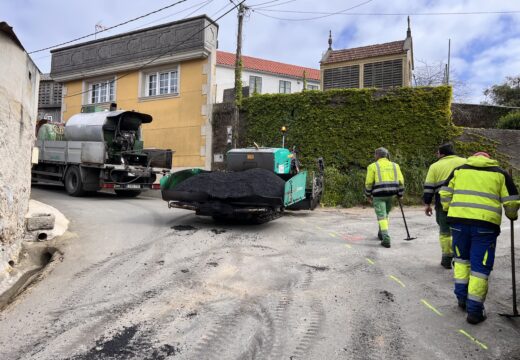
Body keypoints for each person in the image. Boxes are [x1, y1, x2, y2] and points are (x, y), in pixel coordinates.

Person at [439, 152, 519, 324]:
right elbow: (512, 200)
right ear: (489, 158)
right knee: (479, 268)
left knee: (461, 260)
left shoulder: (459, 170)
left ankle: (462, 300)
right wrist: (511, 215)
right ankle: (474, 312)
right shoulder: (500, 173)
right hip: (485, 227)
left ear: (473, 157)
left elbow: (444, 193)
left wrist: (448, 208)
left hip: (458, 224)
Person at [423, 143, 467, 269]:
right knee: (461, 230)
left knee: (445, 231)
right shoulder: (465, 162)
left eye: (437, 153)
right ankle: (460, 257)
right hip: (463, 202)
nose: (436, 156)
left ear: (442, 154)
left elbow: (429, 187)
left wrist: (427, 204)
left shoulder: (435, 166)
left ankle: (447, 258)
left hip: (442, 203)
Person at [364, 147, 405, 248]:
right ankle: (381, 233)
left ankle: (386, 238)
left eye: (375, 154)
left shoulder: (373, 166)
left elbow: (369, 183)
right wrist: (400, 194)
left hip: (379, 195)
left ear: (377, 155)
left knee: (381, 216)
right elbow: (401, 182)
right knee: (385, 214)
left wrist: (368, 195)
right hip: (391, 195)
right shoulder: (395, 166)